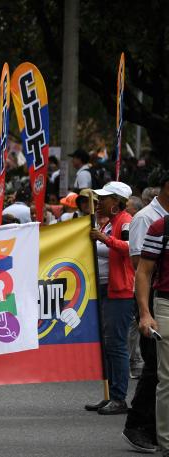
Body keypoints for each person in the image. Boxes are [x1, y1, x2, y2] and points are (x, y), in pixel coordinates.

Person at [122, 172, 169, 453]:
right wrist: (145, 312)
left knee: (155, 368)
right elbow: (139, 264)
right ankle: (140, 426)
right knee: (156, 369)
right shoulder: (148, 220)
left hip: (155, 298)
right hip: (153, 299)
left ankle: (147, 425)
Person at [86, 181, 135, 415]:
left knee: (116, 345)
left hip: (121, 290)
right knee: (109, 346)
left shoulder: (125, 221)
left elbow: (130, 247)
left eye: (103, 198)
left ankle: (118, 398)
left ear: (116, 202)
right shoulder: (111, 222)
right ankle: (111, 395)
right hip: (107, 289)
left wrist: (104, 239)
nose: (98, 202)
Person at [135, 214, 169, 457]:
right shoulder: (161, 227)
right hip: (166, 306)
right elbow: (144, 272)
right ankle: (168, 442)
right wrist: (145, 313)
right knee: (167, 378)